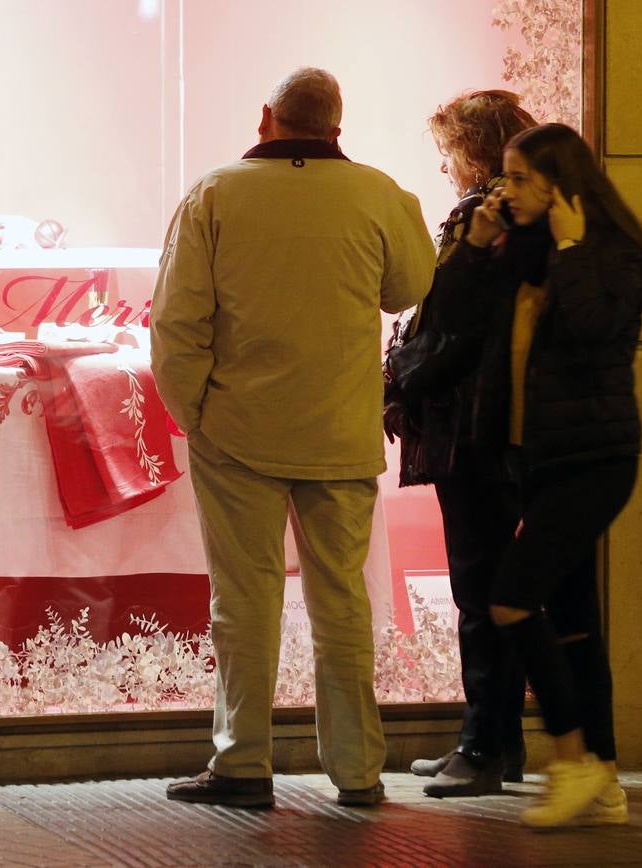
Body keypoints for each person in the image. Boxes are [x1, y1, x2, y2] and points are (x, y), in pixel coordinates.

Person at [151, 68, 435, 809]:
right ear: (337, 127)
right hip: (339, 431)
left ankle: (242, 762)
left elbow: (177, 320)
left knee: (242, 600)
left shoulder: (214, 195)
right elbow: (406, 289)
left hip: (238, 431)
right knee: (342, 600)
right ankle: (357, 770)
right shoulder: (378, 194)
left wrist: (196, 414)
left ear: (266, 117)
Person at [430, 122, 642, 827]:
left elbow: (595, 329)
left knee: (509, 600)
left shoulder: (609, 253)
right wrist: (472, 251)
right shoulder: (514, 250)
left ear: (561, 186)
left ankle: (572, 761)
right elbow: (447, 326)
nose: (509, 190)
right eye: (505, 175)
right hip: (530, 459)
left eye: (524, 178)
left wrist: (567, 248)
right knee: (572, 626)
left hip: (594, 460)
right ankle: (607, 778)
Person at [384, 90, 536, 797]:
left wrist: (401, 379)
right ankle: (498, 742)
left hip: (472, 427)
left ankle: (482, 746)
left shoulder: (483, 218)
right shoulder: (538, 215)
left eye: (447, 150)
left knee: (479, 588)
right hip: (508, 427)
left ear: (471, 149)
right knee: (498, 586)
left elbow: (447, 318)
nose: (443, 165)